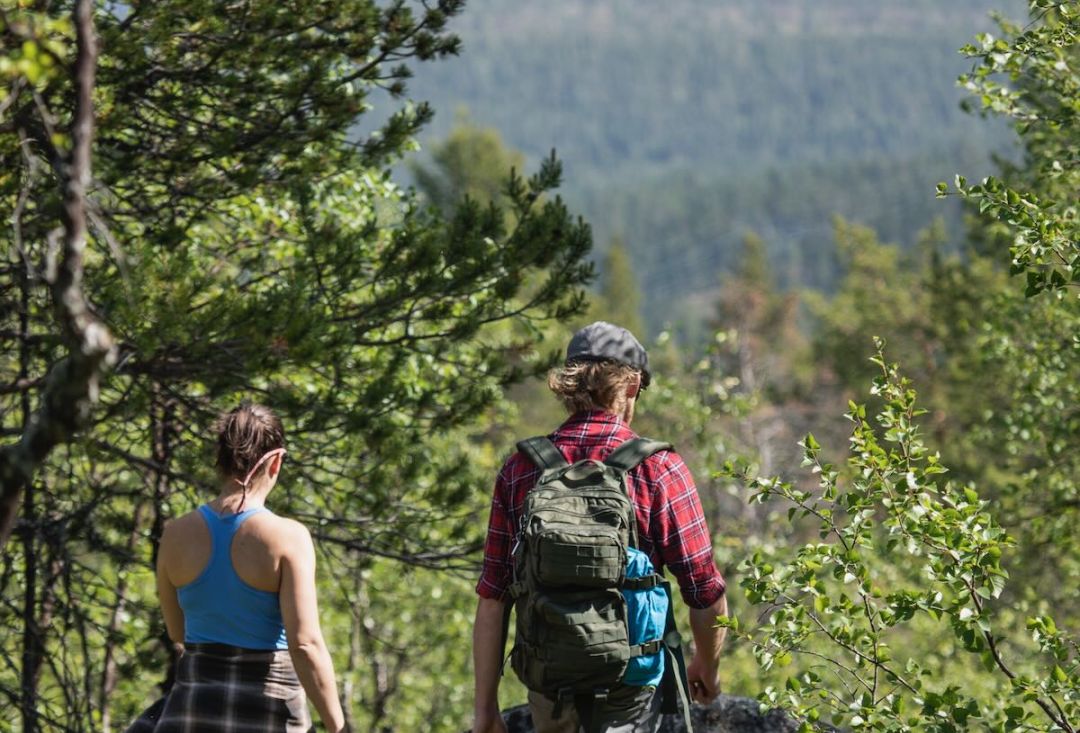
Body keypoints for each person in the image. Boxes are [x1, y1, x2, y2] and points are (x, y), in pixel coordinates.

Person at [472, 321, 728, 733]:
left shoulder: (521, 468)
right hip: (631, 687)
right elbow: (704, 591)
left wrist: (484, 709)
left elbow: (493, 598)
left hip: (549, 681)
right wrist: (708, 668)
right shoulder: (659, 468)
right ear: (630, 385)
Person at [127, 402, 346, 733]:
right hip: (269, 716)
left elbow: (178, 633)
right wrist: (337, 725)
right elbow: (305, 645)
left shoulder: (174, 535)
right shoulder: (289, 538)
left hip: (191, 715)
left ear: (220, 459)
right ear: (275, 462)